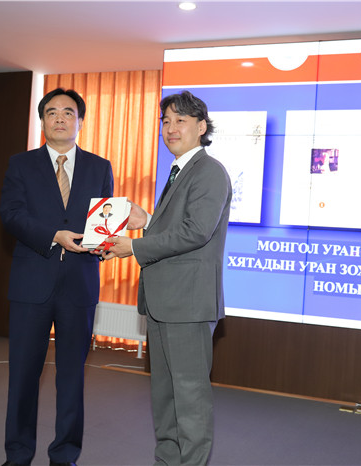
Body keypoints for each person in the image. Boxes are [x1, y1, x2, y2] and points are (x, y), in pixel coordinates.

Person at [101, 91, 231, 465]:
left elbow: (196, 231)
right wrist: (147, 221)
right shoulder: (179, 171)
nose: (171, 128)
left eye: (181, 121)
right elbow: (178, 228)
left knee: (189, 399)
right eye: (166, 121)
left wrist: (134, 246)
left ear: (201, 127)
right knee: (165, 397)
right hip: (165, 303)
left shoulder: (208, 171)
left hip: (187, 305)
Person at [0, 88, 114, 466]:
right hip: (31, 282)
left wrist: (106, 242)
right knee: (23, 376)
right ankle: (18, 454)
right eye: (52, 112)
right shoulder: (20, 164)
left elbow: (104, 222)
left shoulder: (100, 167)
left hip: (80, 284)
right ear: (42, 120)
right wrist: (53, 235)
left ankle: (64, 455)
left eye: (68, 112)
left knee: (72, 377)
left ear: (80, 121)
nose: (60, 118)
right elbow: (11, 214)